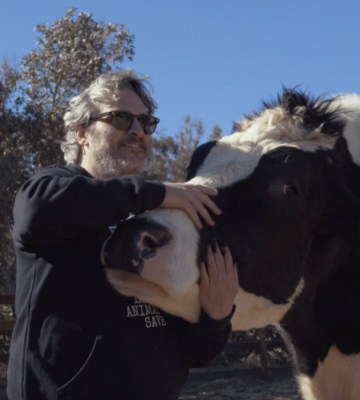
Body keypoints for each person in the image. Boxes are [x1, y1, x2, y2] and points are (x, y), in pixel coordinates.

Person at [7, 69, 239, 400]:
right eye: (120, 118)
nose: (137, 130)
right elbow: (36, 211)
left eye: (146, 123)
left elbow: (198, 352)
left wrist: (216, 317)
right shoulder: (53, 190)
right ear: (81, 133)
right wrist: (157, 193)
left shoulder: (160, 221)